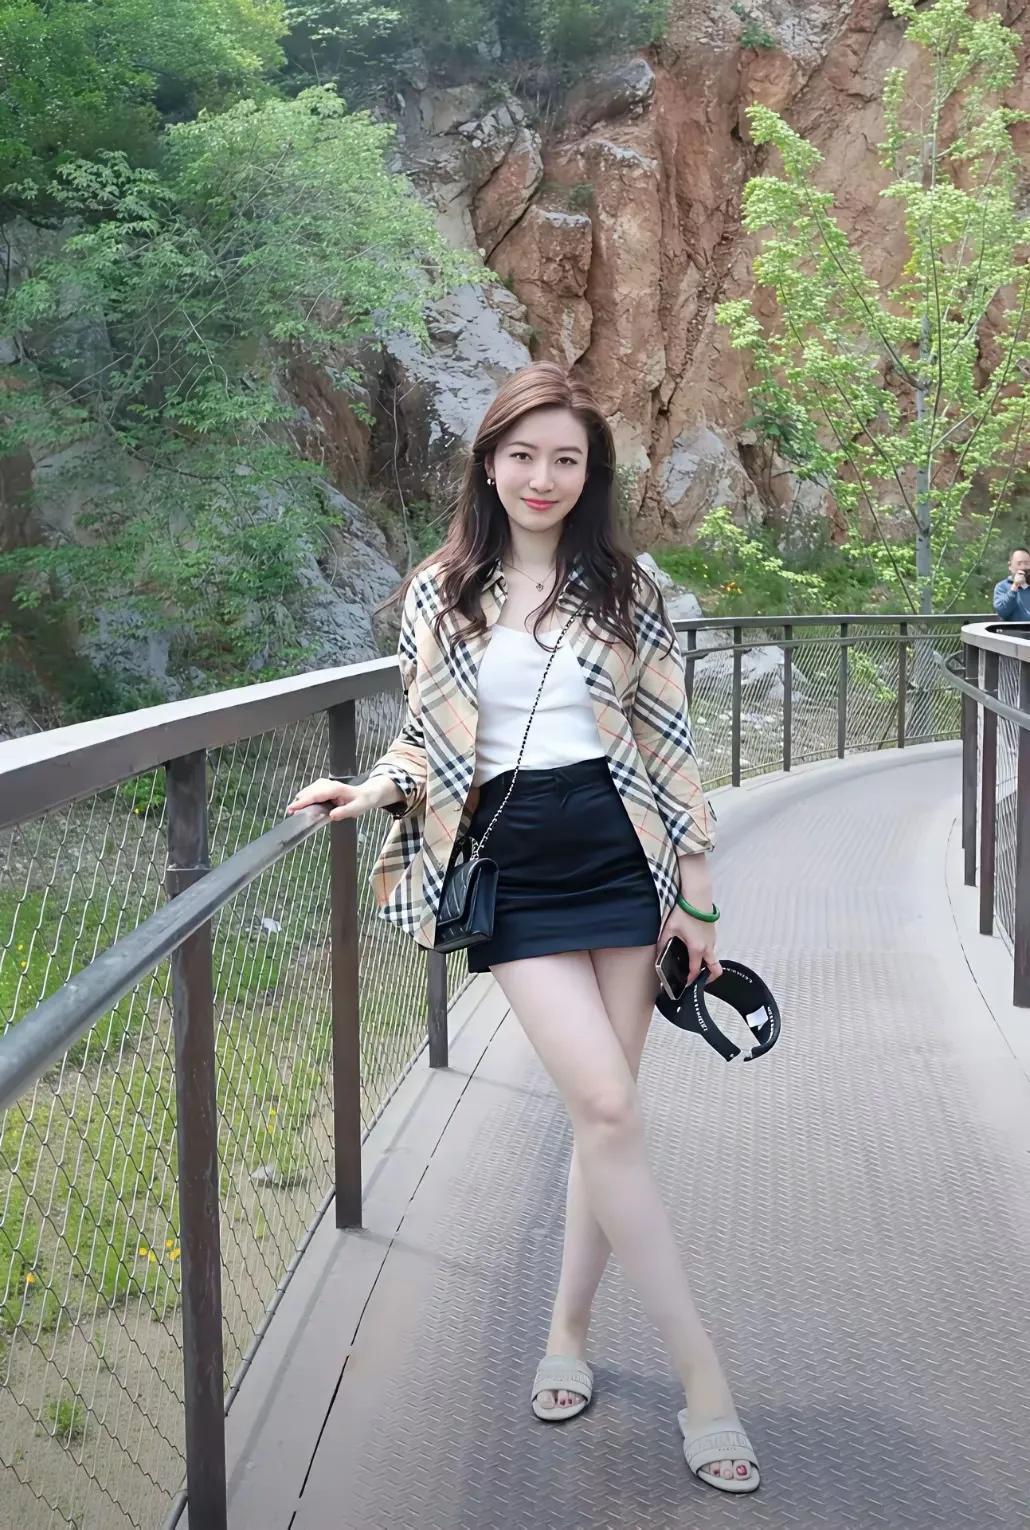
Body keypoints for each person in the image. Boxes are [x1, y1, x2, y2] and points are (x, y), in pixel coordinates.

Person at [286, 361, 760, 1495]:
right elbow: (428, 738)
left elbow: (667, 742)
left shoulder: (625, 588)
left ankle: (567, 1335)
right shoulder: (441, 591)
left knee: (607, 1118)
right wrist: (370, 789)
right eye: (522, 455)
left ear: (590, 475)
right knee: (607, 1106)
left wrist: (696, 895)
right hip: (513, 870)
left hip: (622, 857)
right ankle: (704, 1380)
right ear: (488, 463)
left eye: (566, 459)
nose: (542, 477)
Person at [993, 547, 1030, 620]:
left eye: (1026, 563)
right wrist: (1015, 586)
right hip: (1014, 627)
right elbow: (1003, 612)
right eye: (1019, 563)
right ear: (1010, 566)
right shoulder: (1002, 587)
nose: (1023, 567)